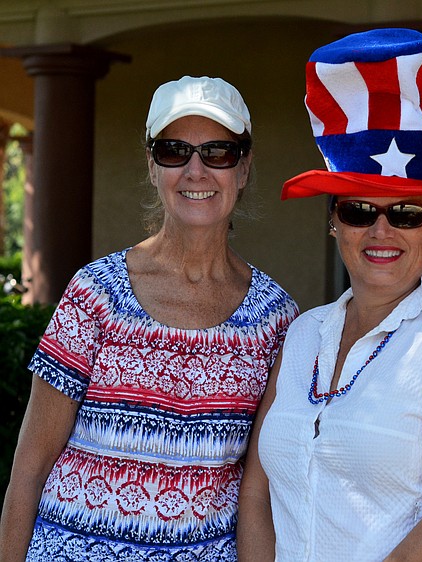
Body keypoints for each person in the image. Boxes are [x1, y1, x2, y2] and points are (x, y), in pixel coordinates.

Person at [237, 28, 422, 561]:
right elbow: (258, 493)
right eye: (358, 211)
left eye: (407, 213)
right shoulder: (302, 335)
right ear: (334, 223)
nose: (380, 231)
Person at [0, 75, 299, 561]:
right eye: (174, 151)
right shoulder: (95, 293)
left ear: (243, 169)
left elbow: (256, 494)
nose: (195, 171)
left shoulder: (277, 320)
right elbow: (29, 469)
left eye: (218, 152)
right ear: (152, 165)